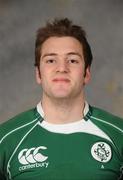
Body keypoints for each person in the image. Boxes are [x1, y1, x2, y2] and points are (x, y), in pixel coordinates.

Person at [0, 18, 123, 180]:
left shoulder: (118, 134)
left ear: (86, 73)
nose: (62, 68)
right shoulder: (6, 139)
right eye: (51, 60)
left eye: (72, 60)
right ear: (38, 74)